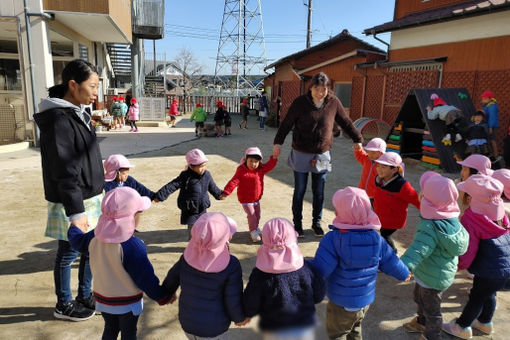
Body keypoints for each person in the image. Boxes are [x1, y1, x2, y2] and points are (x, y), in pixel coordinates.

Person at [34, 59, 104, 321]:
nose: (96, 91)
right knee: (69, 252)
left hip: (90, 196)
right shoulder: (59, 119)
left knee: (90, 249)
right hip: (73, 201)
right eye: (93, 85)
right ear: (73, 85)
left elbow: (84, 157)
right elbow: (64, 168)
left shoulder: (77, 112)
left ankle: (85, 294)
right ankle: (63, 303)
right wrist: (76, 212)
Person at [67, 187, 173, 339]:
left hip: (103, 299)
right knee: (129, 333)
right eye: (139, 213)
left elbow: (77, 241)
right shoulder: (132, 246)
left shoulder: (94, 237)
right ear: (131, 217)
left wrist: (74, 227)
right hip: (127, 303)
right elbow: (145, 279)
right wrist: (162, 296)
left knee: (110, 329)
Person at [309, 187, 410, 340]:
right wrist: (404, 273)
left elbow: (321, 269)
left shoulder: (333, 239)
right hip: (364, 300)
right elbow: (391, 261)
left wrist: (302, 273)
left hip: (340, 302)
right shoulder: (377, 239)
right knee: (355, 328)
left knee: (338, 333)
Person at [273, 72, 363, 236]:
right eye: (317, 89)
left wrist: (357, 138)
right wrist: (278, 142)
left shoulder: (333, 102)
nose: (320, 93)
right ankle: (297, 225)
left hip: (322, 154)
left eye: (324, 89)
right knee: (299, 190)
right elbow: (286, 123)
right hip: (300, 152)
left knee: (319, 191)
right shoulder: (300, 103)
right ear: (311, 88)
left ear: (328, 89)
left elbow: (346, 122)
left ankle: (316, 223)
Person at [401, 174, 469, 340]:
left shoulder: (430, 226)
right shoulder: (451, 218)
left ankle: (432, 336)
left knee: (432, 310)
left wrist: (402, 266)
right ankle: (421, 322)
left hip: (431, 277)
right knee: (419, 298)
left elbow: (419, 249)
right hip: (435, 274)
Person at [443, 175, 510, 339]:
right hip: (504, 267)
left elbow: (469, 248)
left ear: (471, 198)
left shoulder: (471, 218)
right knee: (489, 294)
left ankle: (462, 326)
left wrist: (458, 265)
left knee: (477, 297)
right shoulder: (501, 214)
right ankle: (485, 322)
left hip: (488, 270)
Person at [162, 212, 248, 339]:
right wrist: (239, 317)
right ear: (227, 238)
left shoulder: (187, 256)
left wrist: (166, 294)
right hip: (215, 327)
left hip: (188, 321)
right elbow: (232, 298)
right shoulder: (231, 265)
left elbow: (172, 278)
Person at [243, 218, 326, 339]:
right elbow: (319, 294)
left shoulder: (259, 274)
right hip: (304, 326)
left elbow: (251, 300)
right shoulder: (306, 269)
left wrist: (247, 314)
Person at [154, 149, 223, 236]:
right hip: (189, 208)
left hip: (202, 207)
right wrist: (160, 196)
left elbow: (212, 187)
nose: (203, 169)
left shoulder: (207, 175)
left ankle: (202, 244)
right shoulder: (185, 176)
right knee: (193, 230)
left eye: (204, 165)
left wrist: (219, 194)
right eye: (200, 166)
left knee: (203, 227)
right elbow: (172, 186)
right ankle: (193, 246)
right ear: (191, 166)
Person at [220, 147, 278, 242]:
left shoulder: (261, 170)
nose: (253, 164)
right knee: (251, 215)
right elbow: (234, 181)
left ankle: (255, 227)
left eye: (256, 161)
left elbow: (270, 165)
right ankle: (253, 231)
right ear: (246, 159)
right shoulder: (241, 170)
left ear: (259, 162)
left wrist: (274, 158)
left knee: (258, 215)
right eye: (250, 161)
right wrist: (226, 192)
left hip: (256, 199)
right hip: (245, 199)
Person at [373, 152, 420, 253]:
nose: (379, 169)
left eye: (384, 167)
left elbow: (416, 200)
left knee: (385, 235)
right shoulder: (378, 179)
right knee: (382, 235)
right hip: (380, 215)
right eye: (378, 166)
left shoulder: (402, 185)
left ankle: (393, 254)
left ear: (394, 169)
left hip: (393, 219)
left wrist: (428, 213)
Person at [481, 90, 500, 159]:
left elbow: (492, 117)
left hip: (492, 125)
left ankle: (496, 154)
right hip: (488, 125)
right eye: (483, 98)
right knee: (489, 139)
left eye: (484, 98)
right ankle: (492, 154)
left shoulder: (492, 106)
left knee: (492, 139)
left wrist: (490, 127)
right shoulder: (487, 105)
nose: (483, 100)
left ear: (489, 99)